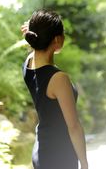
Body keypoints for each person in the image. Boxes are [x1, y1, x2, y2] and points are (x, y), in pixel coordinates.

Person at [20, 9, 89, 169]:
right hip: (59, 154)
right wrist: (84, 163)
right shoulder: (59, 79)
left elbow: (33, 46)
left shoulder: (28, 65)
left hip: (42, 150)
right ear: (57, 39)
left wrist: (30, 32)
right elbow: (73, 126)